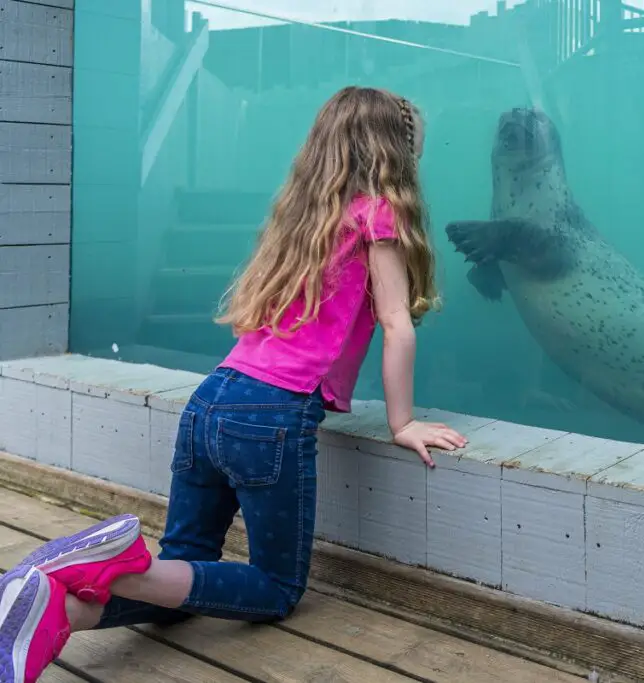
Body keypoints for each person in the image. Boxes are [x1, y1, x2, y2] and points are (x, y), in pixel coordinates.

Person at [0, 86, 468, 683]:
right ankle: (113, 567)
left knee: (185, 575)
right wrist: (402, 424)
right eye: (415, 156)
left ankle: (52, 608)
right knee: (273, 587)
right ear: (391, 156)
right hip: (270, 416)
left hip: (211, 400)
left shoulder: (306, 220)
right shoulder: (377, 213)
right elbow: (398, 324)